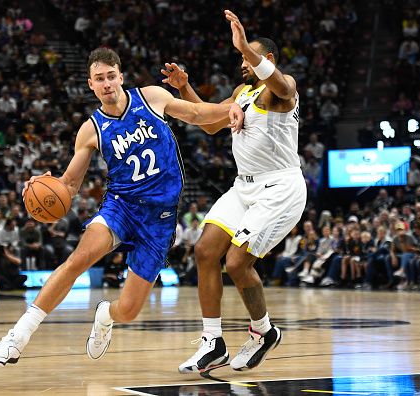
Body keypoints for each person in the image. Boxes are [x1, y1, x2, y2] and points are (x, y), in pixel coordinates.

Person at [0, 47, 243, 366]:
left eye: (110, 77)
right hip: (121, 207)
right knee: (79, 258)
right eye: (98, 79)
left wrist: (238, 105)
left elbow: (198, 115)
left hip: (159, 220)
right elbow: (70, 185)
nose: (106, 84)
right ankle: (17, 339)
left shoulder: (152, 97)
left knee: (129, 310)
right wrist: (43, 185)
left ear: (121, 77)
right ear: (91, 85)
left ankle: (105, 315)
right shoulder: (91, 129)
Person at [162, 10, 305, 372]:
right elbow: (210, 123)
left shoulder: (281, 89)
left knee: (237, 262)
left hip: (280, 187)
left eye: (248, 56)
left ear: (267, 59)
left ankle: (263, 331)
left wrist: (245, 45)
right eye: (241, 56)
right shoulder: (242, 93)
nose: (242, 62)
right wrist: (184, 89)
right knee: (206, 251)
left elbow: (284, 88)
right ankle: (213, 342)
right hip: (244, 187)